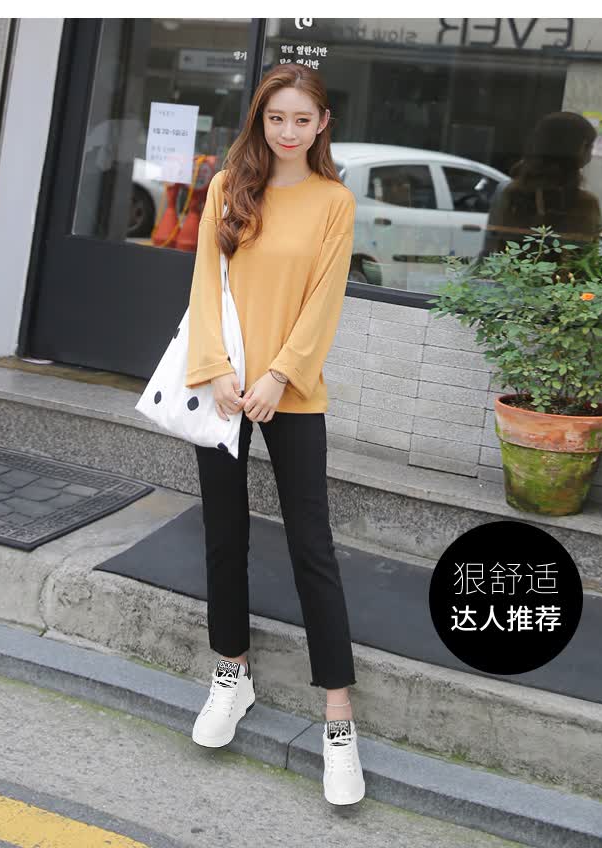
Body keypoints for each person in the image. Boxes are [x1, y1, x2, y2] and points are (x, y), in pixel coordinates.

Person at [184, 63, 364, 806]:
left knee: (311, 547)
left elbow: (324, 301)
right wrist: (216, 370)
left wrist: (280, 376)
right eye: (276, 118)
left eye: (302, 119)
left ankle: (339, 719)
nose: (288, 131)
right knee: (223, 536)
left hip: (291, 392)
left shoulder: (334, 201)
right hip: (225, 388)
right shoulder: (229, 187)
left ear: (322, 125)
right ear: (260, 120)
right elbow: (205, 283)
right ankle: (232, 674)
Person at [480, 111, 602, 261]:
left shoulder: (508, 192)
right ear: (582, 148)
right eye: (591, 147)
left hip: (510, 274)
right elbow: (586, 259)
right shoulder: (586, 203)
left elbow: (490, 251)